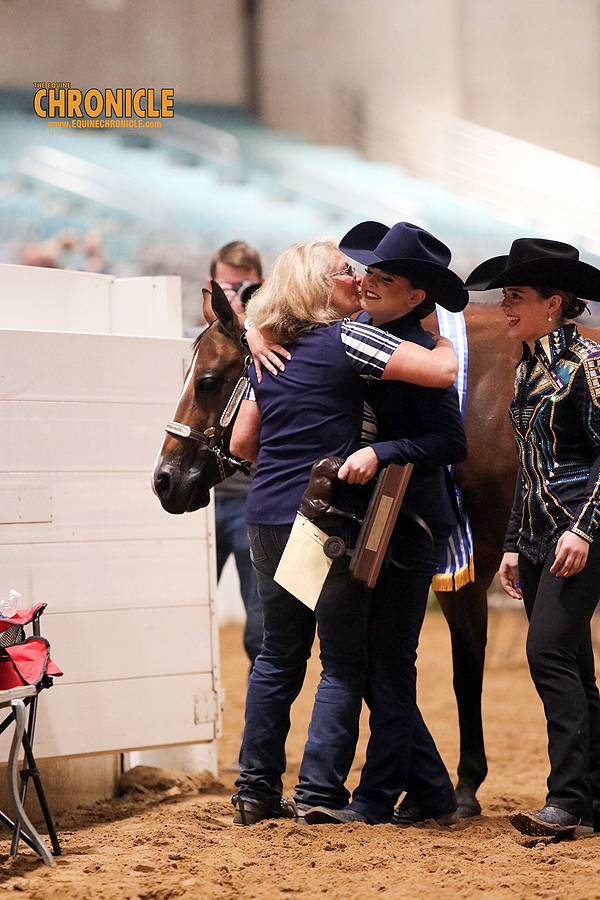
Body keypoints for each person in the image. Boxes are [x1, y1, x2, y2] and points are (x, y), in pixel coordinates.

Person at [228, 238, 459, 825]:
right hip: (323, 518)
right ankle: (319, 793)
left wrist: (255, 332)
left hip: (264, 514)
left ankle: (254, 790)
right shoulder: (348, 339)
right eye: (343, 272)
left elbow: (242, 443)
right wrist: (446, 338)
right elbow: (442, 371)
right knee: (342, 663)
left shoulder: (268, 353)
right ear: (316, 286)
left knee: (277, 656)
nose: (357, 278)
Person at [300, 221, 468, 826]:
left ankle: (374, 798)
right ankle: (432, 792)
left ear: (415, 295)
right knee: (375, 664)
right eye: (369, 273)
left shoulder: (418, 350)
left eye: (385, 279)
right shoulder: (368, 335)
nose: (368, 283)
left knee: (388, 664)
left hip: (411, 523)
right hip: (377, 520)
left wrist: (385, 450)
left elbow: (451, 442)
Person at [465, 237, 600, 839]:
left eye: (515, 296)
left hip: (582, 535)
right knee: (573, 663)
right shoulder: (527, 369)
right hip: (543, 537)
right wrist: (515, 543)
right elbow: (529, 466)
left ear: (553, 303)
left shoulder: (586, 367)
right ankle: (593, 797)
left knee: (546, 654)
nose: (505, 307)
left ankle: (566, 798)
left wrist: (583, 530)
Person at [204, 241, 265, 669]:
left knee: (260, 629)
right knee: (181, 616)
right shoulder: (191, 345)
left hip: (250, 499)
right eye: (226, 288)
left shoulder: (271, 345)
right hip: (202, 499)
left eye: (245, 288)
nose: (235, 297)